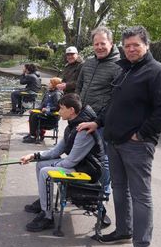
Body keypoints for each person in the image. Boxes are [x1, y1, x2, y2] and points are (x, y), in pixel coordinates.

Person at [77, 26, 161, 247]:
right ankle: (123, 230)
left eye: (136, 45)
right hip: (113, 141)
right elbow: (114, 104)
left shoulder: (156, 71)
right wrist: (98, 123)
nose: (131, 49)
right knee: (120, 189)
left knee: (141, 196)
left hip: (137, 145)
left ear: (146, 45)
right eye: (128, 45)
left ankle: (141, 246)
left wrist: (141, 134)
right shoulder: (124, 70)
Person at [20, 94, 106, 232]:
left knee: (45, 172)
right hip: (79, 165)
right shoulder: (72, 126)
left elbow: (71, 161)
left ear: (71, 110)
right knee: (40, 164)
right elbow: (56, 151)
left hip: (88, 170)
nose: (59, 112)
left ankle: (47, 218)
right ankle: (44, 203)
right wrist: (33, 156)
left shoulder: (82, 130)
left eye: (61, 109)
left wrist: (51, 167)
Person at [75, 26, 122, 198]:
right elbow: (80, 85)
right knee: (82, 153)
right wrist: (78, 107)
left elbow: (116, 97)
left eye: (103, 43)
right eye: (96, 44)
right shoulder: (88, 62)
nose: (99, 47)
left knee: (104, 158)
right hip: (83, 117)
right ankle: (84, 188)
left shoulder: (118, 66)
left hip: (103, 121)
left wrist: (100, 118)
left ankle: (102, 191)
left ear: (111, 43)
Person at [22, 77, 63, 143]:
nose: (48, 84)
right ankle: (32, 134)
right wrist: (35, 109)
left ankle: (33, 136)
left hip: (51, 116)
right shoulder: (48, 92)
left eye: (50, 83)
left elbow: (58, 107)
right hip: (45, 113)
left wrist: (47, 109)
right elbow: (42, 105)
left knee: (35, 116)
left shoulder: (57, 94)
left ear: (54, 85)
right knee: (33, 113)